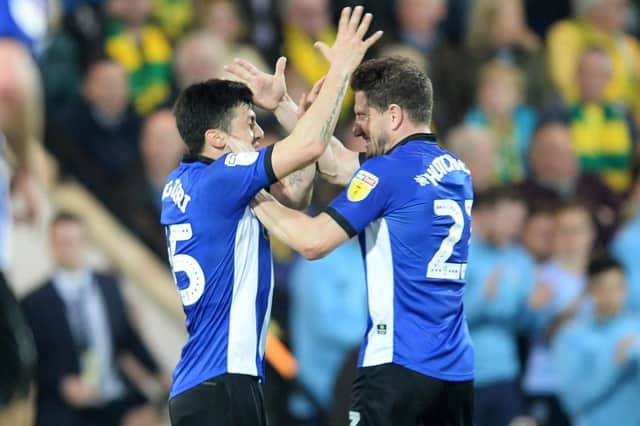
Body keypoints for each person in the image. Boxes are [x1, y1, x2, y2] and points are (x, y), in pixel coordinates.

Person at [162, 7, 382, 426]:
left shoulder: (188, 183)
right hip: (224, 385)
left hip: (204, 386)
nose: (260, 135)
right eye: (249, 125)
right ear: (217, 139)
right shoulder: (222, 178)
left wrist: (287, 108)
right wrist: (341, 69)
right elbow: (309, 149)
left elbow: (297, 194)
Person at [249, 56, 475, 425]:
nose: (356, 128)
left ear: (395, 116)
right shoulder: (454, 169)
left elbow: (312, 241)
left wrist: (249, 190)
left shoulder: (386, 172)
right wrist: (284, 107)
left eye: (364, 115)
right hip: (455, 371)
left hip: (396, 365)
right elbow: (336, 162)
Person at [21, 213, 165, 426]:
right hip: (63, 405)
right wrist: (62, 384)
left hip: (112, 393)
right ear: (52, 246)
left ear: (85, 243)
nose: (70, 248)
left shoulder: (109, 286)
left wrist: (158, 372)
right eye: (63, 242)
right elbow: (30, 362)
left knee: (147, 417)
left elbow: (128, 338)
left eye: (76, 241)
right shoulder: (33, 302)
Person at [463, 187, 535, 426]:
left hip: (506, 372)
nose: (513, 227)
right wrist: (482, 298)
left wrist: (533, 309)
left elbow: (524, 325)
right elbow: (445, 319)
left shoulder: (521, 259)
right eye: (508, 219)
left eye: (519, 221)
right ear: (485, 214)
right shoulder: (460, 253)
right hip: (463, 374)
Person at [523, 202, 595, 426]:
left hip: (596, 385)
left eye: (578, 230)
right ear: (553, 236)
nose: (571, 238)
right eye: (564, 230)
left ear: (591, 234)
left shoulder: (606, 277)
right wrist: (565, 313)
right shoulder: (538, 277)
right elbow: (532, 332)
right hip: (550, 384)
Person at [552, 255, 640, 426]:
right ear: (590, 289)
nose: (611, 295)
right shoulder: (571, 335)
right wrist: (615, 365)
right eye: (604, 287)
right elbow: (571, 400)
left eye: (618, 287)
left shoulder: (636, 328)